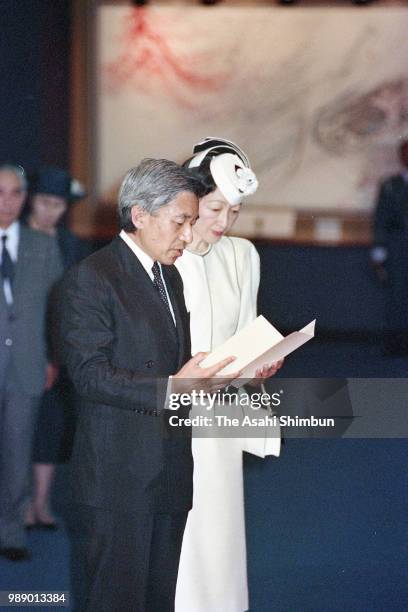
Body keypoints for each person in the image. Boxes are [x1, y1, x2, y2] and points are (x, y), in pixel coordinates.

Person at [60, 158, 240, 612]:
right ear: (139, 215)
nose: (187, 236)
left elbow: (174, 368)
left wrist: (216, 379)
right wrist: (176, 387)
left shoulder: (169, 276)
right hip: (119, 476)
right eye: (180, 222)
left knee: (159, 598)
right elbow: (90, 376)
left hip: (170, 468)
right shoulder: (92, 277)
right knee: (116, 600)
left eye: (192, 223)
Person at [175, 138, 282, 612]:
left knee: (220, 533)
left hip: (220, 420)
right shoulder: (164, 256)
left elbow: (245, 338)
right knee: (181, 536)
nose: (224, 223)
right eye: (215, 208)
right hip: (173, 416)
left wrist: (261, 366)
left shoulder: (243, 256)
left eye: (234, 212)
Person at [0, 164, 62, 562]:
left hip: (27, 365)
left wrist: (53, 358)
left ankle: (11, 531)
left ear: (25, 198)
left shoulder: (43, 245)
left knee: (18, 450)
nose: (7, 201)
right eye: (0, 192)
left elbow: (58, 309)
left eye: (15, 193)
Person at [24, 167, 89, 529]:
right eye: (46, 202)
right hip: (18, 347)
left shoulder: (70, 244)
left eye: (59, 205)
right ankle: (16, 505)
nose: (52, 210)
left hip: (58, 350)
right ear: (31, 200)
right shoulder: (12, 238)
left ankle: (41, 503)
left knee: (49, 426)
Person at [372, 138, 408, 354]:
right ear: (400, 157)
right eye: (405, 153)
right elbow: (381, 218)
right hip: (398, 246)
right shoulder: (390, 185)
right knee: (397, 296)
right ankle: (396, 343)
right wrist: (379, 249)